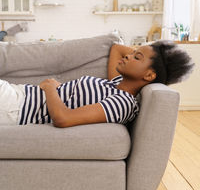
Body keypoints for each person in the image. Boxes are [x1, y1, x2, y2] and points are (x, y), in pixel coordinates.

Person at [0, 40, 195, 127]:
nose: (128, 55)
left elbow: (63, 119)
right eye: (133, 52)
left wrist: (51, 88)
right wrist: (146, 55)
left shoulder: (122, 103)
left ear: (149, 76)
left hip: (17, 108)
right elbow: (117, 48)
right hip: (17, 94)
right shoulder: (117, 82)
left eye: (136, 57)